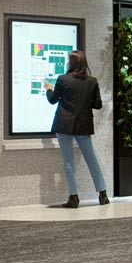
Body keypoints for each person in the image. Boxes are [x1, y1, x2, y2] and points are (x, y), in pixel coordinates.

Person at [44, 50, 108, 209]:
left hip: (64, 124)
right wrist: (84, 101)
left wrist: (49, 89)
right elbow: (98, 105)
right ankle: (103, 194)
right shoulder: (92, 81)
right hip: (83, 125)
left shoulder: (63, 79)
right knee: (91, 159)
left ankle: (73, 197)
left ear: (71, 63)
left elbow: (53, 100)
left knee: (68, 161)